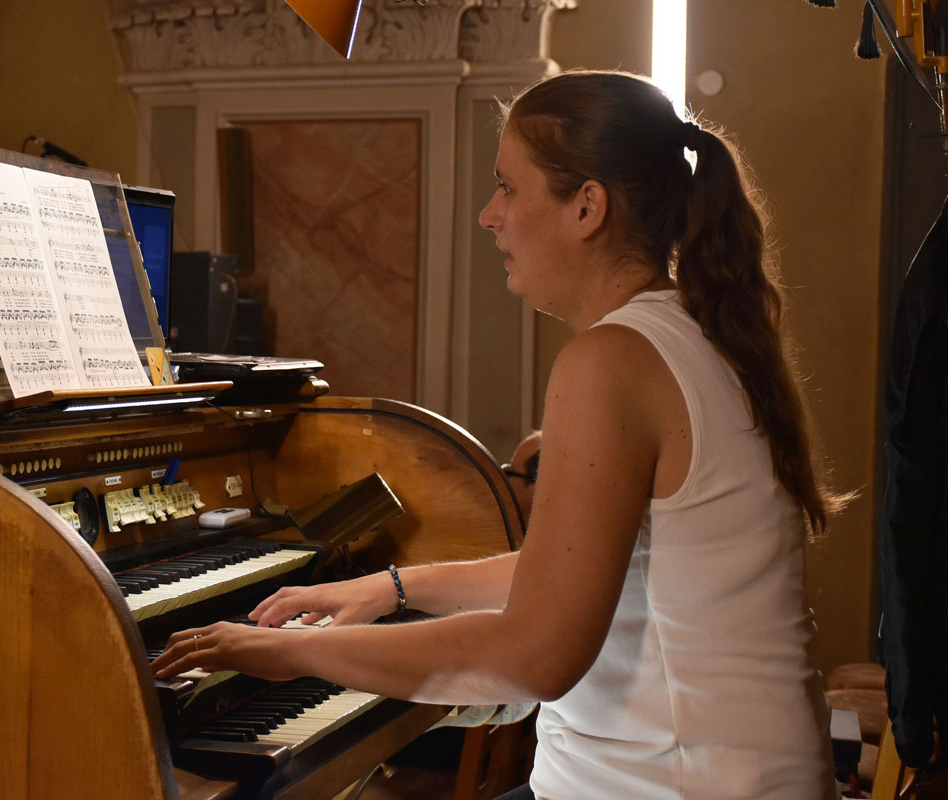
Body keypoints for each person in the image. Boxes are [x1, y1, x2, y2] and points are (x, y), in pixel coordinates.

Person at [153, 70, 844, 799]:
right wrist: (391, 587)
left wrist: (292, 655)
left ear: (588, 207)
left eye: (508, 188)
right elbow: (578, 571)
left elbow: (536, 656)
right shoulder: (698, 330)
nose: (489, 216)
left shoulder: (610, 361)